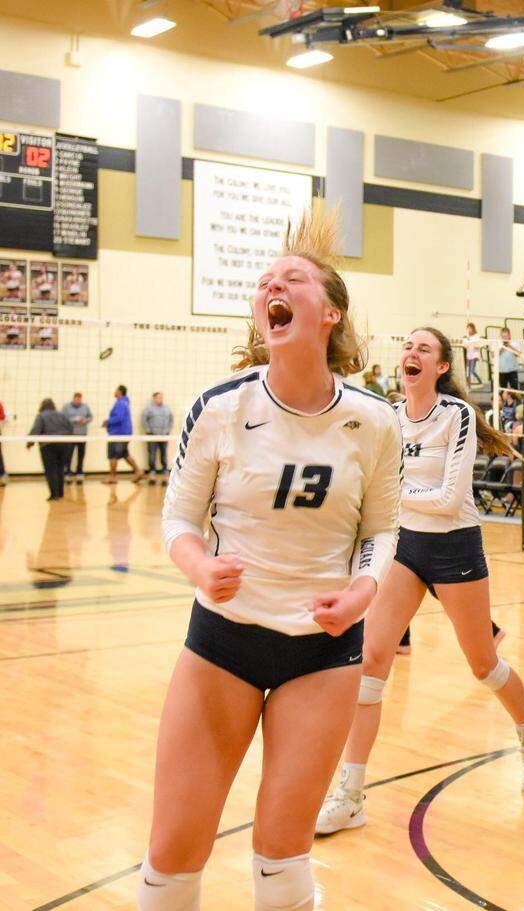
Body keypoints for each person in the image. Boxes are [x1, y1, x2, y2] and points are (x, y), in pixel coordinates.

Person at [138, 211, 403, 910]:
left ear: (330, 313)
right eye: (264, 284)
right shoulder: (220, 408)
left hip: (322, 650)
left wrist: (364, 590)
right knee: (172, 853)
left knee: (282, 857)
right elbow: (177, 518)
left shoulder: (375, 420)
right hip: (223, 640)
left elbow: (382, 528)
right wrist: (199, 566)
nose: (270, 287)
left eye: (291, 279)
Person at [318, 327, 524, 835]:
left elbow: (448, 499)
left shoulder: (458, 415)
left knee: (483, 664)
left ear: (442, 366)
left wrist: (393, 493)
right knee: (371, 662)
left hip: (454, 546)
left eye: (424, 349)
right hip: (405, 547)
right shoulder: (388, 417)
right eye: (408, 346)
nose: (412, 353)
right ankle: (351, 792)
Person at [26, 398, 73, 501]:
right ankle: (60, 494)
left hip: (48, 445)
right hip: (64, 444)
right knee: (60, 469)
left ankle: (54, 495)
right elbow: (70, 428)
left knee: (50, 470)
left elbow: (36, 430)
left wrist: (29, 443)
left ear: (42, 406)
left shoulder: (41, 415)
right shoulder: (62, 415)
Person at [103, 385, 143, 484]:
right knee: (125, 454)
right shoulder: (124, 402)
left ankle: (112, 477)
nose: (114, 392)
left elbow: (118, 418)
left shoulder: (121, 403)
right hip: (123, 433)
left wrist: (107, 422)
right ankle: (138, 471)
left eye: (116, 390)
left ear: (120, 392)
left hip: (119, 434)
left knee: (113, 455)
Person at [141, 391, 174, 485]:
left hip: (164, 435)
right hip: (152, 435)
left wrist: (168, 430)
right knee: (152, 454)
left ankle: (165, 473)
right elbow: (144, 419)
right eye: (158, 397)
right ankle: (152, 473)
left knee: (164, 454)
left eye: (161, 397)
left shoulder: (167, 408)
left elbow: (171, 419)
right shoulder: (148, 408)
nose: (160, 399)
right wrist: (149, 430)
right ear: (154, 398)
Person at [62, 391, 92, 482]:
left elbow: (90, 417)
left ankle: (80, 472)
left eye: (80, 399)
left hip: (82, 435)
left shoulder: (85, 406)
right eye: (76, 399)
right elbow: (62, 418)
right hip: (70, 435)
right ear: (73, 398)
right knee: (68, 454)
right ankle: (67, 472)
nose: (78, 401)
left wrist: (85, 420)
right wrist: (73, 420)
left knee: (81, 454)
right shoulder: (66, 407)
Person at [463, 322, 484, 386]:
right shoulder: (467, 337)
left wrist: (472, 343)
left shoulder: (477, 336)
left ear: (473, 328)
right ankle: (468, 385)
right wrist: (467, 341)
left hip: (474, 355)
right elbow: (465, 346)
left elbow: (478, 345)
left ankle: (480, 381)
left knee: (471, 370)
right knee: (468, 371)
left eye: (470, 328)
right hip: (469, 355)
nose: (469, 330)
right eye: (468, 328)